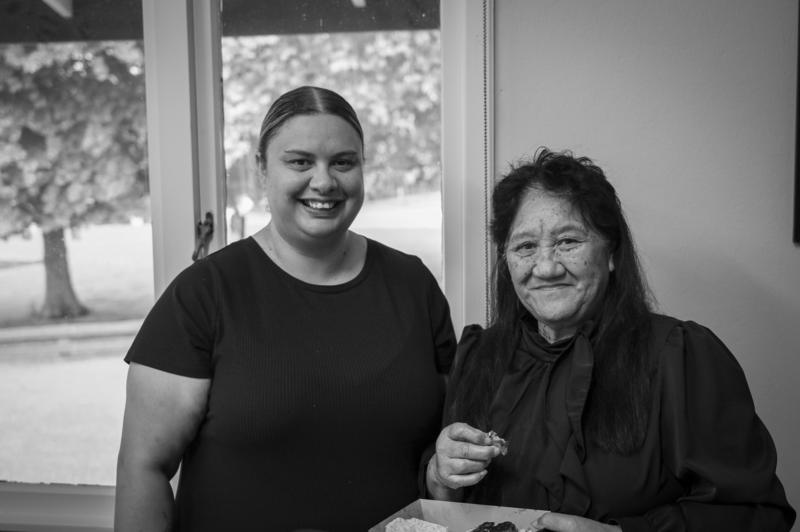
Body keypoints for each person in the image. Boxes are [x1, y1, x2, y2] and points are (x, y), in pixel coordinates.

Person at [114, 86, 456, 532]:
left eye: (343, 162)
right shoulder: (203, 294)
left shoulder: (413, 285)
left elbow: (443, 449)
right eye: (300, 162)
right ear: (261, 169)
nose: (324, 182)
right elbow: (144, 467)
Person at [425, 149, 795, 531]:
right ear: (506, 261)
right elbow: (449, 511)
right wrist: (441, 476)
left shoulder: (680, 357)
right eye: (525, 247)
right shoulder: (478, 355)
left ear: (612, 252)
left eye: (568, 241)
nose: (547, 267)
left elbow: (758, 516)